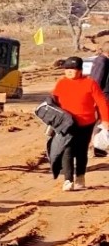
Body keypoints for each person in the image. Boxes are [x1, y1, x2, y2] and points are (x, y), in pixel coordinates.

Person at [49, 56, 109, 191]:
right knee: (67, 149)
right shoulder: (61, 83)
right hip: (66, 123)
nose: (69, 72)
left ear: (80, 70)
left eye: (73, 69)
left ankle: (80, 178)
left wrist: (105, 120)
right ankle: (68, 180)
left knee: (81, 151)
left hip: (86, 123)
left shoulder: (90, 83)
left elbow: (101, 102)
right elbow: (53, 101)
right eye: (67, 69)